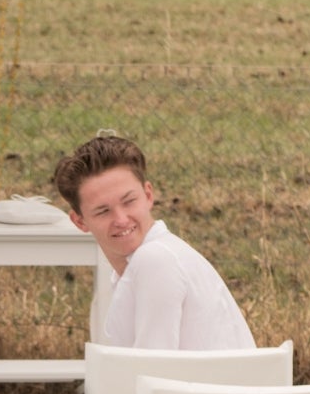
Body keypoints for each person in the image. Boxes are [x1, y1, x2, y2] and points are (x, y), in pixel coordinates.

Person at [54, 131, 254, 350]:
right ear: (80, 221)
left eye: (129, 201)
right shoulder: (152, 258)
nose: (121, 220)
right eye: (103, 211)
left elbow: (152, 370)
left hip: (205, 384)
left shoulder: (156, 259)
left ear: (148, 195)